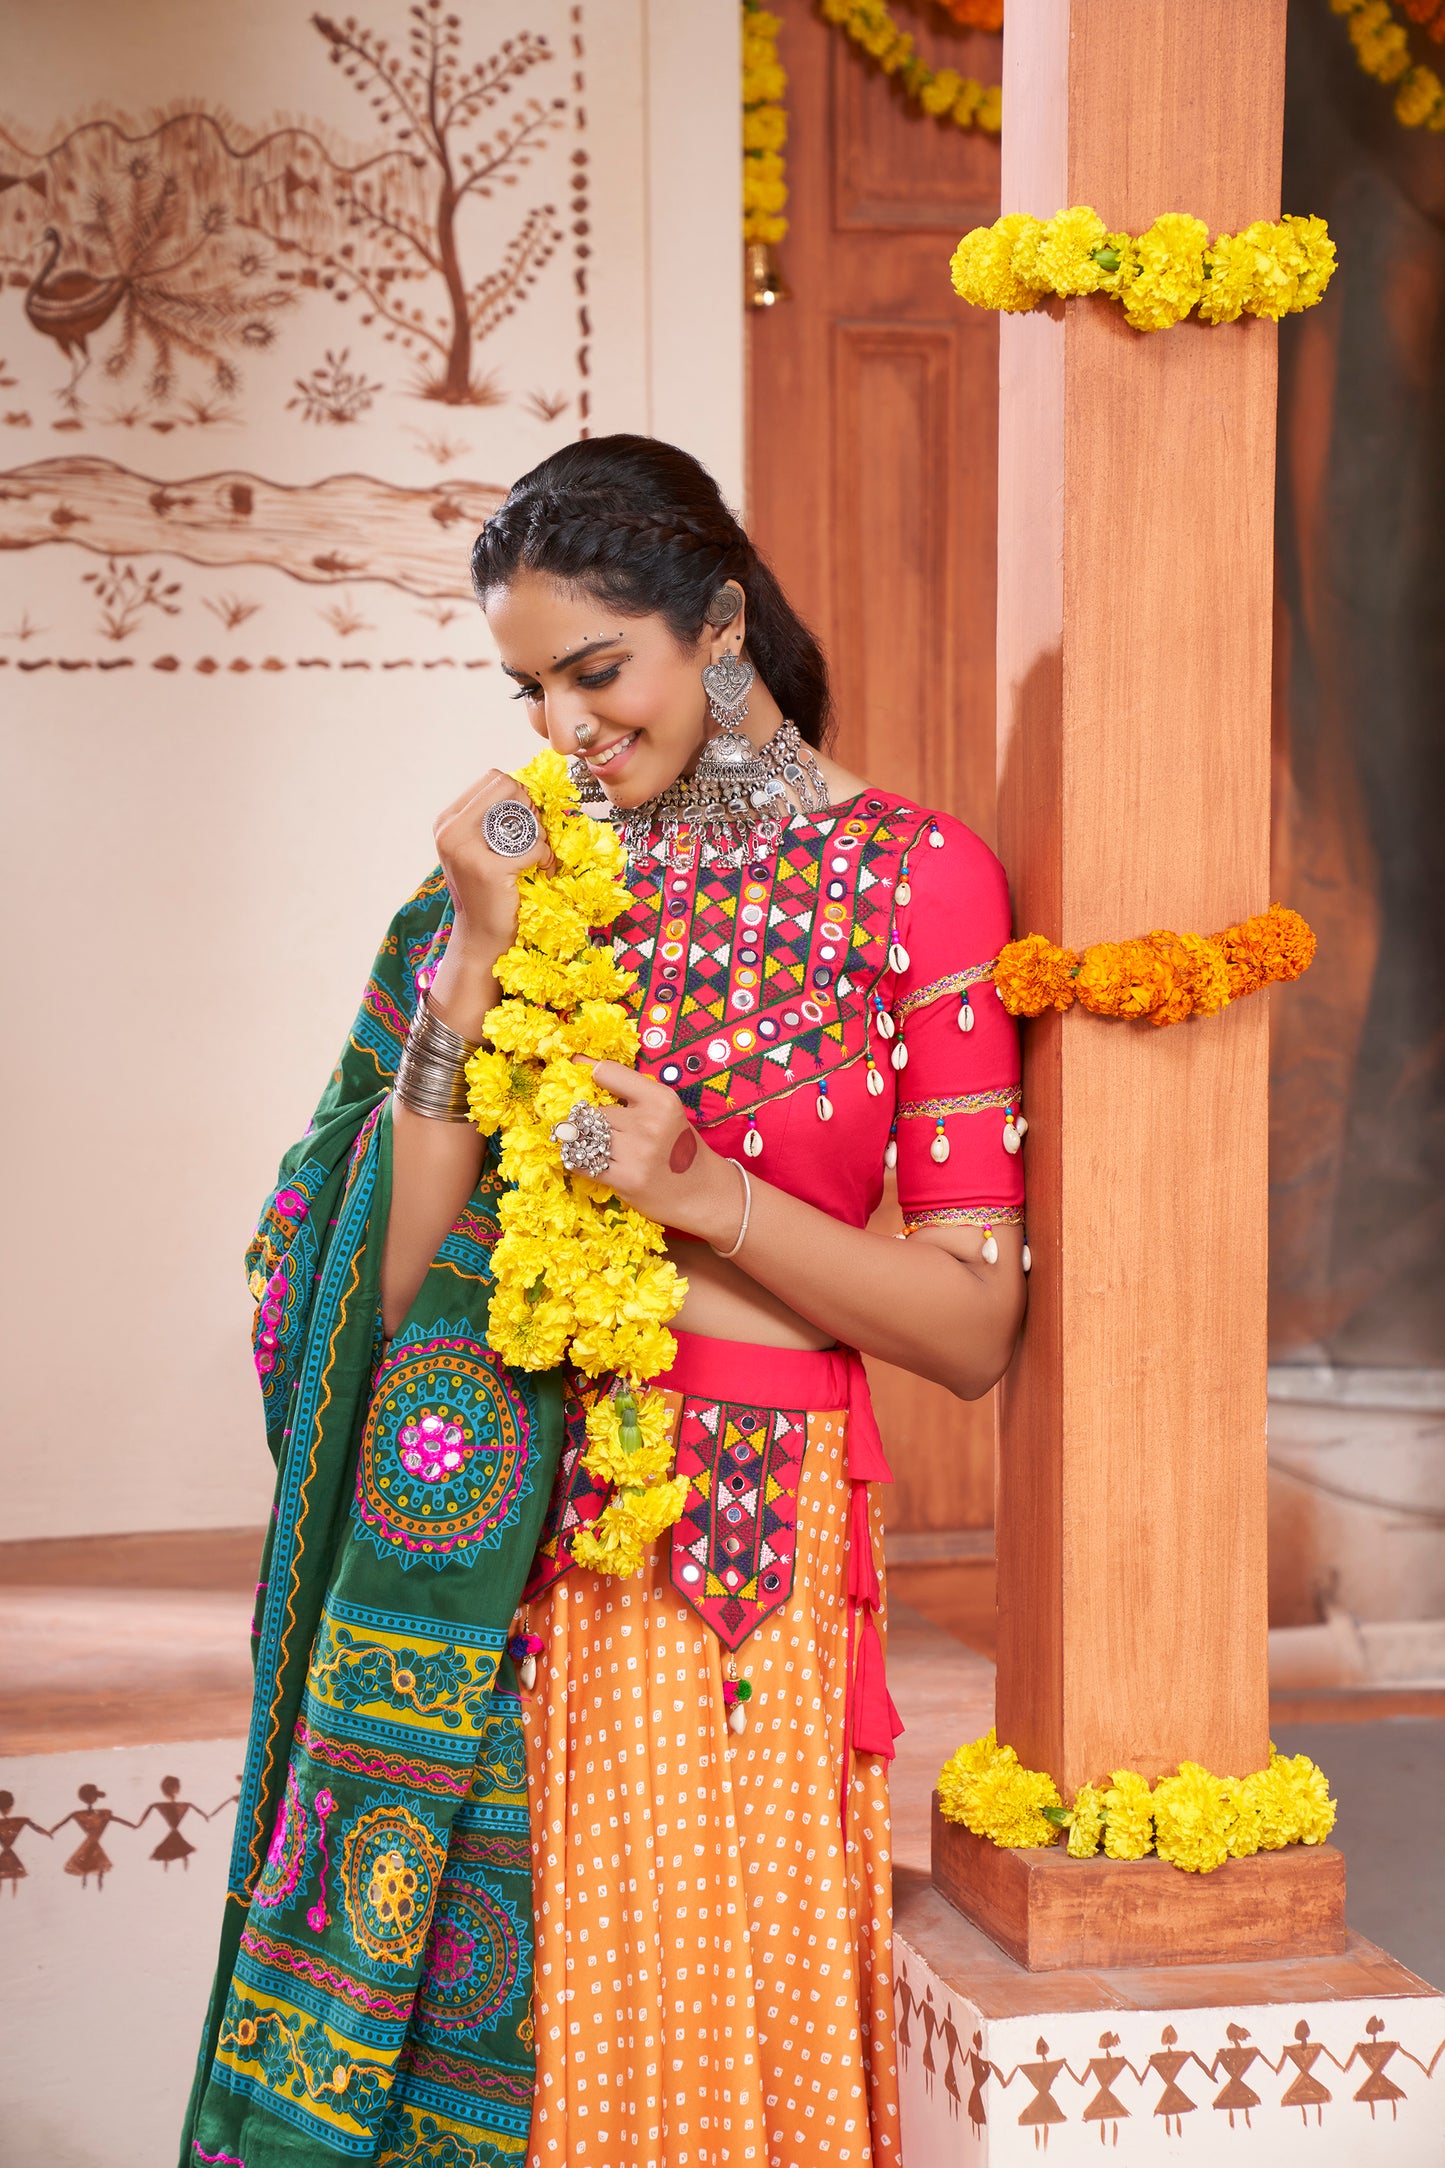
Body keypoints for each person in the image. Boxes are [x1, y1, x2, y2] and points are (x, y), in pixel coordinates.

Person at [183, 433, 1025, 2168]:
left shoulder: (913, 876)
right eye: (526, 687)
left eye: (595, 671)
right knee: (516, 2075)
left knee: (697, 2057)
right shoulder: (520, 877)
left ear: (716, 625)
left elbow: (967, 1329)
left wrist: (704, 1196)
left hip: (736, 1558)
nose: (564, 726)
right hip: (494, 1540)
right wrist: (481, 953)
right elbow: (373, 1275)